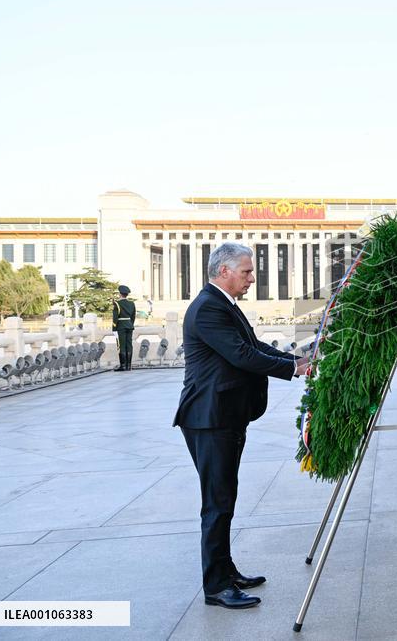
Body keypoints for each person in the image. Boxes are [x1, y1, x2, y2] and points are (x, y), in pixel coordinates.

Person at [173, 242, 309, 609]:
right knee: (217, 504)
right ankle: (216, 586)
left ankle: (226, 569)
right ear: (224, 272)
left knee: (225, 499)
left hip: (225, 415)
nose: (252, 278)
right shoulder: (207, 309)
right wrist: (292, 368)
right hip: (209, 418)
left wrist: (296, 359)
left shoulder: (223, 305)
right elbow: (242, 355)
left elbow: (255, 344)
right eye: (247, 272)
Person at [112, 285, 136, 372]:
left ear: (120, 294)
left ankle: (123, 366)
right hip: (129, 326)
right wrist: (130, 324)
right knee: (129, 345)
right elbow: (133, 316)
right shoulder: (131, 303)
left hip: (121, 326)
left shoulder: (117, 304)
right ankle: (129, 366)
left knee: (121, 345)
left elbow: (115, 317)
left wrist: (114, 329)